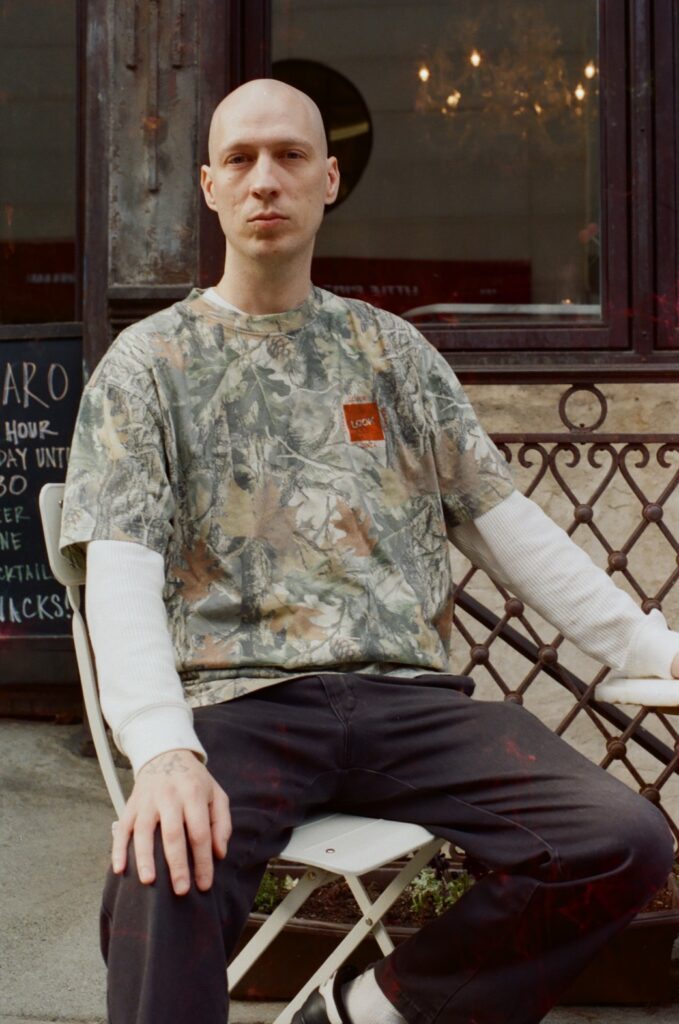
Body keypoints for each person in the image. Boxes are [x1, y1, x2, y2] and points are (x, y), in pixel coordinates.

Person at [60, 79, 678, 1024]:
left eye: (289, 156)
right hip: (239, 705)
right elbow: (121, 577)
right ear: (209, 187)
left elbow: (507, 528)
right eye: (240, 159)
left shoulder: (393, 354)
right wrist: (163, 751)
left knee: (620, 837)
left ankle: (374, 1010)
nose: (265, 179)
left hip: (406, 702)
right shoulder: (147, 366)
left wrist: (645, 650)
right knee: (162, 862)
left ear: (329, 179)